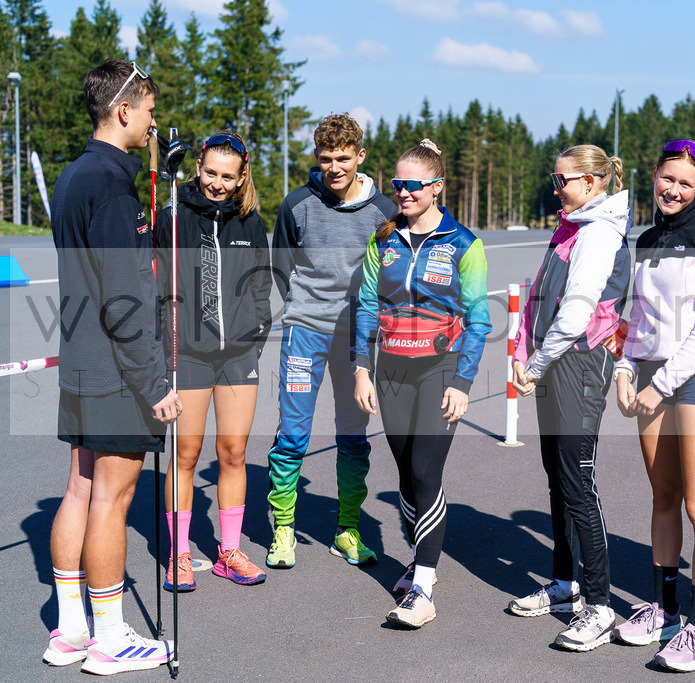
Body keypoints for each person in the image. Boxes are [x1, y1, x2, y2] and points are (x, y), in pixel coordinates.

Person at [47, 59, 180, 674]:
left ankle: (70, 629)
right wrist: (154, 383)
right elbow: (124, 296)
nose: (154, 123)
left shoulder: (74, 175)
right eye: (150, 111)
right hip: (113, 366)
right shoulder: (108, 184)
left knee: (79, 489)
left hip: (79, 359)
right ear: (123, 110)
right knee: (111, 498)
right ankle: (109, 636)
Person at [354, 139, 491, 628]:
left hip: (440, 369)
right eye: (396, 184)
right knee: (407, 475)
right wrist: (360, 368)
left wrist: (463, 381)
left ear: (436, 187)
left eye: (412, 185)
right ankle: (418, 558)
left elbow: (478, 318)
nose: (402, 193)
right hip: (391, 371)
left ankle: (425, 589)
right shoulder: (384, 239)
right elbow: (367, 306)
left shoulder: (463, 244)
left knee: (426, 470)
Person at [611, 139, 695, 672]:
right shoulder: (647, 239)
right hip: (649, 375)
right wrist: (622, 368)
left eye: (686, 183)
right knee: (663, 495)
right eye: (668, 179)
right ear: (654, 175)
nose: (674, 189)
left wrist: (661, 383)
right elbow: (635, 316)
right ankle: (662, 610)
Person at [507, 144, 632, 652]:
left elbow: (576, 315)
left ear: (592, 182)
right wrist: (520, 350)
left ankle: (600, 606)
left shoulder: (599, 234)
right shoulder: (571, 225)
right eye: (553, 178)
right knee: (558, 478)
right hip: (551, 364)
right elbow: (539, 295)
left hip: (577, 365)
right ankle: (564, 585)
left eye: (562, 179)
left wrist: (534, 366)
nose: (554, 187)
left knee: (578, 482)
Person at [266, 114, 398, 569]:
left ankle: (348, 528)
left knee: (353, 436)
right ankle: (283, 529)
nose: (334, 167)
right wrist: (305, 309)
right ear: (317, 158)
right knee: (293, 434)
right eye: (326, 159)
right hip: (304, 330)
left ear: (361, 157)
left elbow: (391, 272)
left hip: (356, 341)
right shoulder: (297, 204)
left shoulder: (384, 210)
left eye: (343, 158)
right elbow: (281, 266)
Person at [156, 131, 271, 591]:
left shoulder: (252, 222)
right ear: (197, 166)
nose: (217, 184)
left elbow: (262, 285)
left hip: (239, 354)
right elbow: (153, 277)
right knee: (185, 455)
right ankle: (179, 554)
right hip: (191, 354)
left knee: (234, 453)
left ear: (242, 176)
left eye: (227, 176)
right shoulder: (175, 216)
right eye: (209, 173)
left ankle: (229, 551)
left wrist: (256, 331)